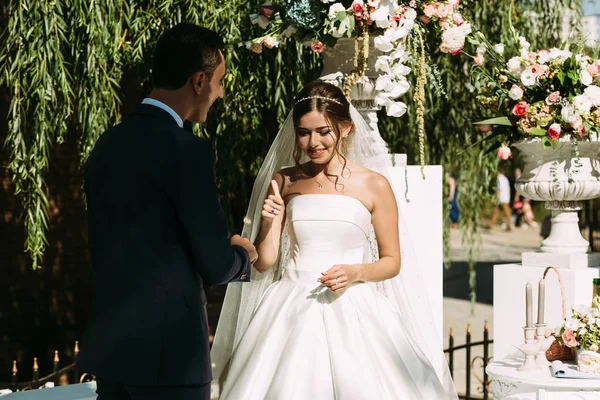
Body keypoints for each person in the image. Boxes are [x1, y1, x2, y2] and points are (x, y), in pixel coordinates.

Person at [211, 81, 458, 399]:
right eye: (303, 132)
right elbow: (266, 260)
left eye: (323, 131)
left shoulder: (374, 184)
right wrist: (270, 221)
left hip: (354, 306)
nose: (312, 142)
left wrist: (356, 272)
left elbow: (391, 261)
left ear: (345, 128)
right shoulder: (284, 180)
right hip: (291, 306)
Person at [77, 23, 256, 400]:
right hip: (170, 357)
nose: (220, 94)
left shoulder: (107, 144)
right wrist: (242, 254)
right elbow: (215, 265)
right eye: (219, 82)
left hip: (113, 351)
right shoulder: (186, 152)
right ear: (199, 81)